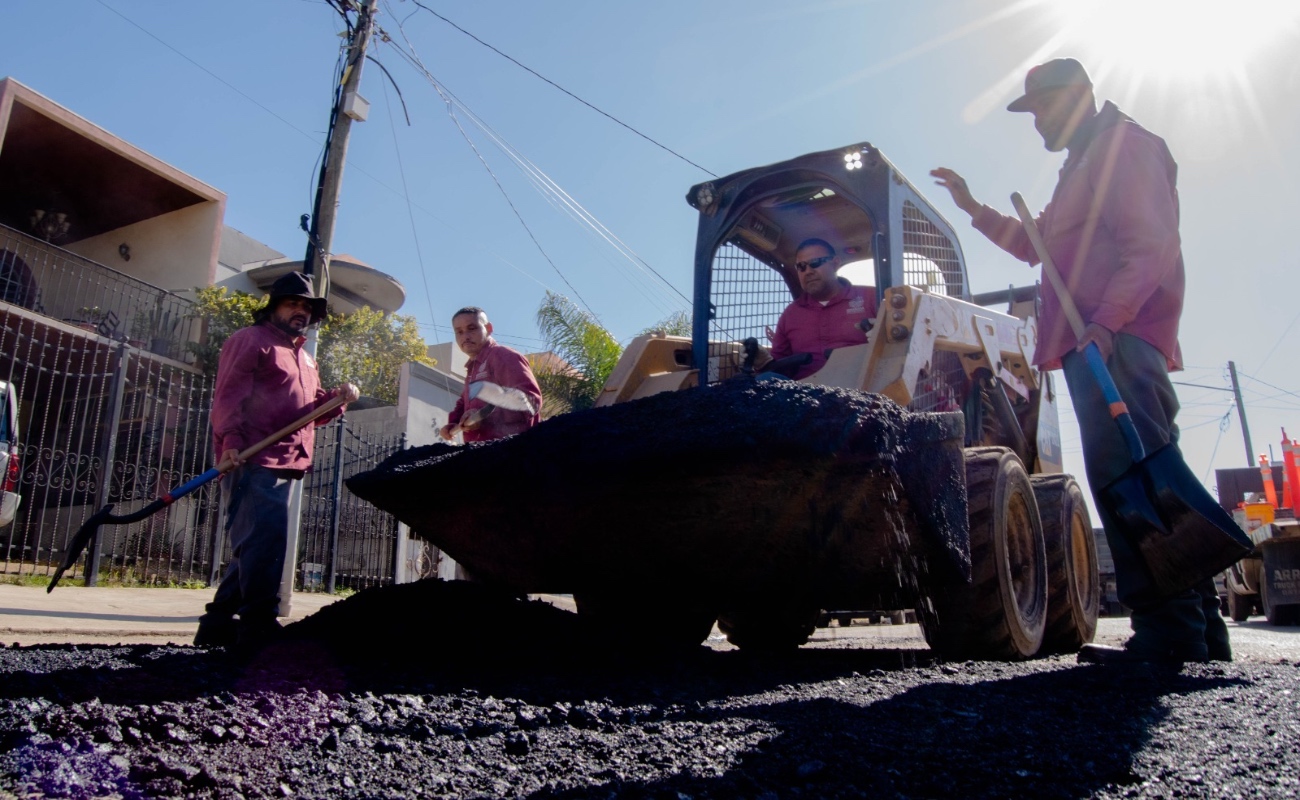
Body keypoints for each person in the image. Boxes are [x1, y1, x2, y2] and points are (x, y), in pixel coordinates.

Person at [931, 57, 1230, 664]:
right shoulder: (1080, 167)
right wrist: (971, 206)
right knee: (1152, 480)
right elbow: (1034, 244)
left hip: (1117, 345)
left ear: (1081, 97)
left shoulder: (1124, 148)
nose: (1037, 122)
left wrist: (1103, 324)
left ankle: (1170, 634)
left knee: (1129, 482)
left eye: (1043, 107)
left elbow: (1151, 247)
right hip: (1100, 343)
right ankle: (1198, 635)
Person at [195, 271, 358, 650]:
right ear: (273, 307)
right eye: (292, 303)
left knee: (253, 545)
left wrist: (338, 398)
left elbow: (309, 413)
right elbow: (229, 395)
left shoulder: (304, 358)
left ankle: (216, 625)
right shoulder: (249, 340)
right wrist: (230, 441)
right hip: (252, 458)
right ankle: (258, 626)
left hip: (287, 461)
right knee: (264, 542)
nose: (300, 311)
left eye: (306, 306)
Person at [768, 238, 878, 380]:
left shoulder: (872, 297)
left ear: (836, 263)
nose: (808, 271)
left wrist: (884, 340)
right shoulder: (790, 314)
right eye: (801, 267)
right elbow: (778, 364)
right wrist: (760, 361)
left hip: (860, 390)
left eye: (815, 263)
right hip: (802, 395)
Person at [438, 306, 542, 443]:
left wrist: (482, 417)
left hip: (514, 453)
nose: (465, 336)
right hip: (484, 455)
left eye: (472, 328)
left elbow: (530, 401)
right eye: (459, 332)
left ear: (488, 328)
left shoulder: (503, 356)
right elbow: (465, 402)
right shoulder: (473, 367)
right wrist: (454, 423)